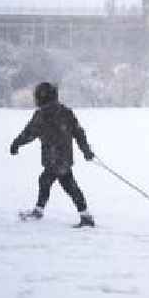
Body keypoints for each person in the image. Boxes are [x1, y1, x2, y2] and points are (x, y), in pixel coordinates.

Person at [10, 82, 96, 227]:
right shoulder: (66, 112)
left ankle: (85, 216)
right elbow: (79, 133)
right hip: (63, 157)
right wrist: (86, 150)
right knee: (50, 181)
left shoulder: (42, 115)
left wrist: (16, 144)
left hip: (53, 157)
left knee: (63, 184)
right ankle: (41, 210)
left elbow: (29, 133)